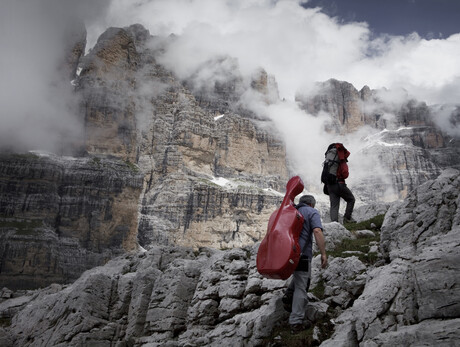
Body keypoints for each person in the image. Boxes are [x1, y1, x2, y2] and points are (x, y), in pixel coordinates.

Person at [282, 194, 327, 334]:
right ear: (312, 204)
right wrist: (323, 253)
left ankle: (289, 295)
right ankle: (296, 323)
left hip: (285, 253)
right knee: (303, 285)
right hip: (302, 255)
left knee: (298, 277)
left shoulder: (290, 211)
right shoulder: (311, 212)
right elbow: (317, 230)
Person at [324, 143, 356, 223]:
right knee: (351, 199)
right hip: (339, 184)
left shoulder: (329, 161)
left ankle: (334, 224)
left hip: (330, 185)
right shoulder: (341, 161)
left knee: (334, 206)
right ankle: (347, 218)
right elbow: (345, 173)